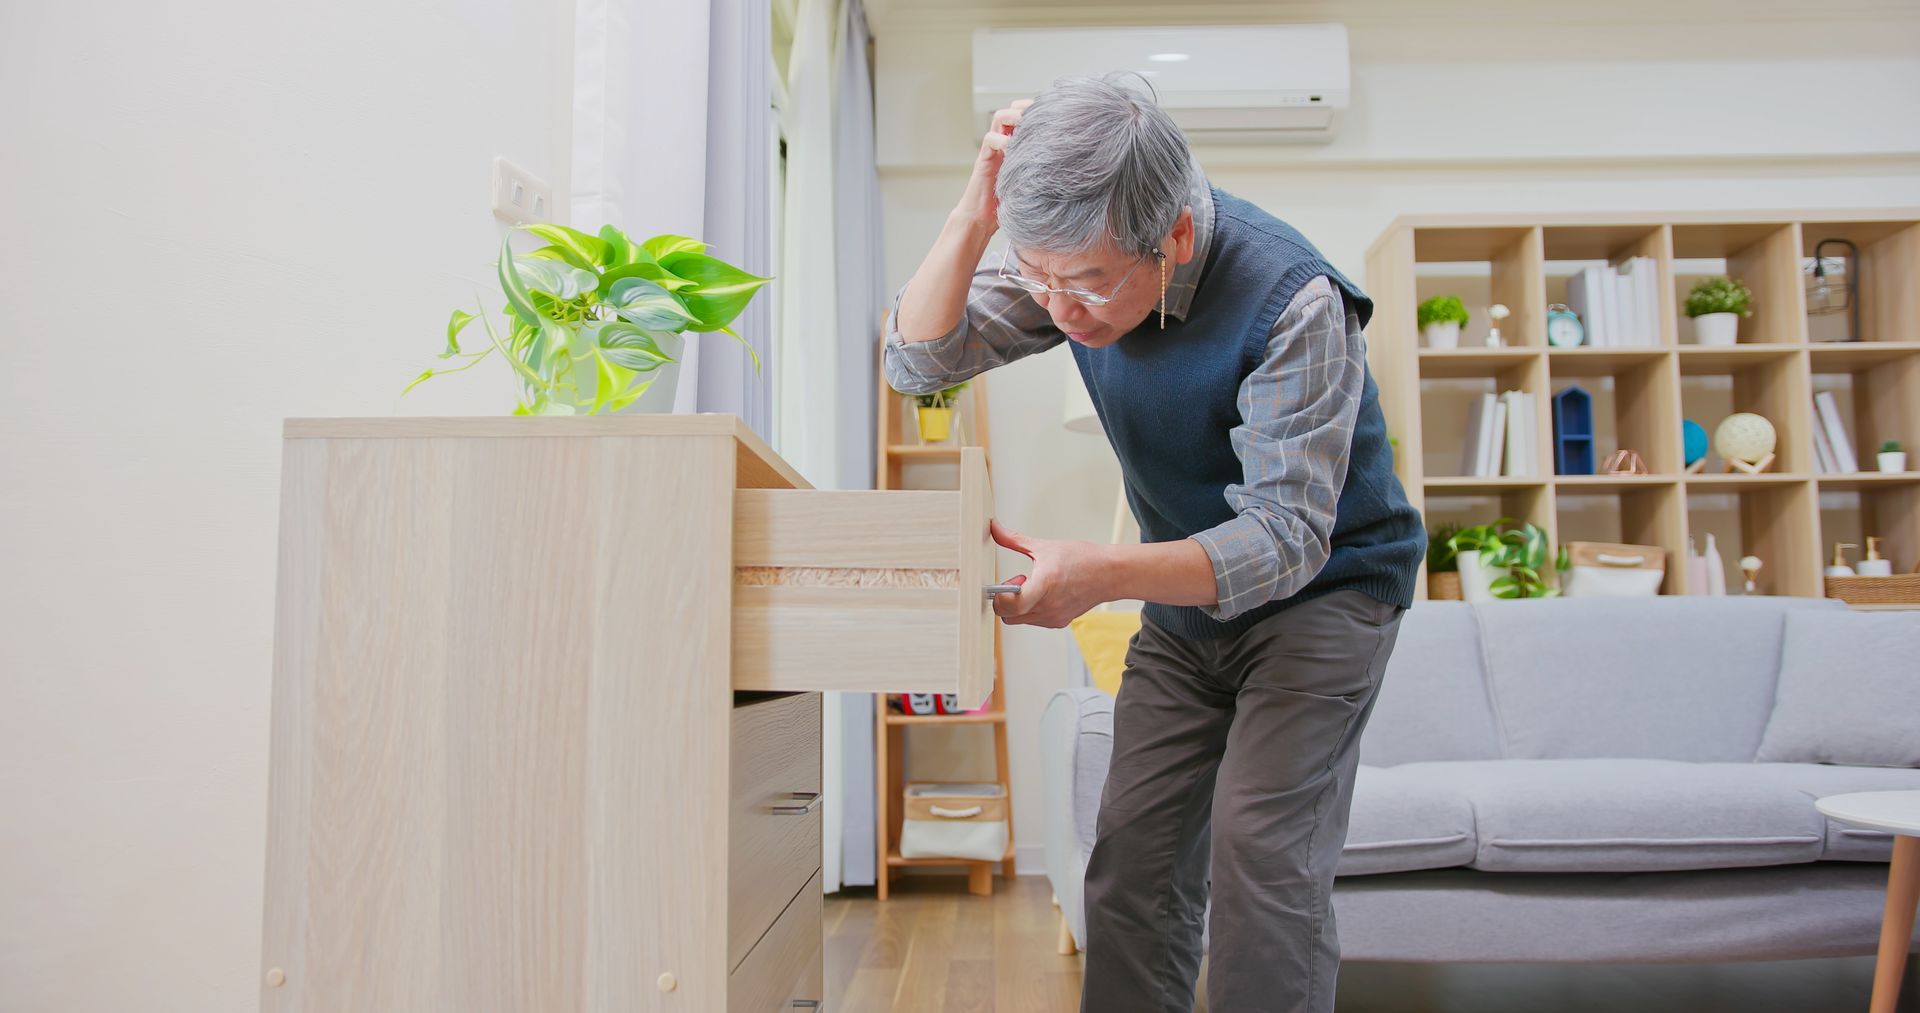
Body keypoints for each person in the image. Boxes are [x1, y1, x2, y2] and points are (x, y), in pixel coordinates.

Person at [881, 73, 1425, 1013]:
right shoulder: (1073, 260)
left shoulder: (1295, 301)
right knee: (1131, 853)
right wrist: (978, 210)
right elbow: (916, 361)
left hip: (1328, 591)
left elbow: (1284, 541)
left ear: (1172, 237)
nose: (1060, 310)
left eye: (1084, 283)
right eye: (1038, 276)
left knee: (1260, 849)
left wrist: (1100, 575)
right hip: (1189, 596)